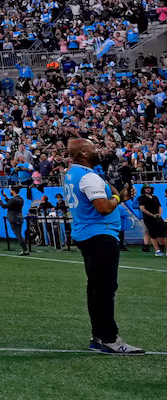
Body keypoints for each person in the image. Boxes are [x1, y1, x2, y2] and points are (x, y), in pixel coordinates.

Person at [63, 137, 144, 354]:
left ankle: (98, 335)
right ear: (84, 154)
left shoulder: (72, 174)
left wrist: (120, 196)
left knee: (96, 288)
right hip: (100, 235)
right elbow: (103, 208)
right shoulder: (88, 178)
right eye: (93, 148)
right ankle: (109, 339)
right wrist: (118, 197)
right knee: (105, 289)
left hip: (87, 234)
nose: (97, 150)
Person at [137, 185, 166, 256]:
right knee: (152, 234)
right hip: (148, 218)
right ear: (143, 189)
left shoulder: (155, 197)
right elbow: (142, 208)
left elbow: (160, 207)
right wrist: (152, 215)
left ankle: (163, 249)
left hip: (158, 217)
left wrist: (159, 214)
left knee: (163, 234)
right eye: (146, 188)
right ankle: (157, 250)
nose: (148, 189)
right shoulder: (141, 198)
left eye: (149, 188)